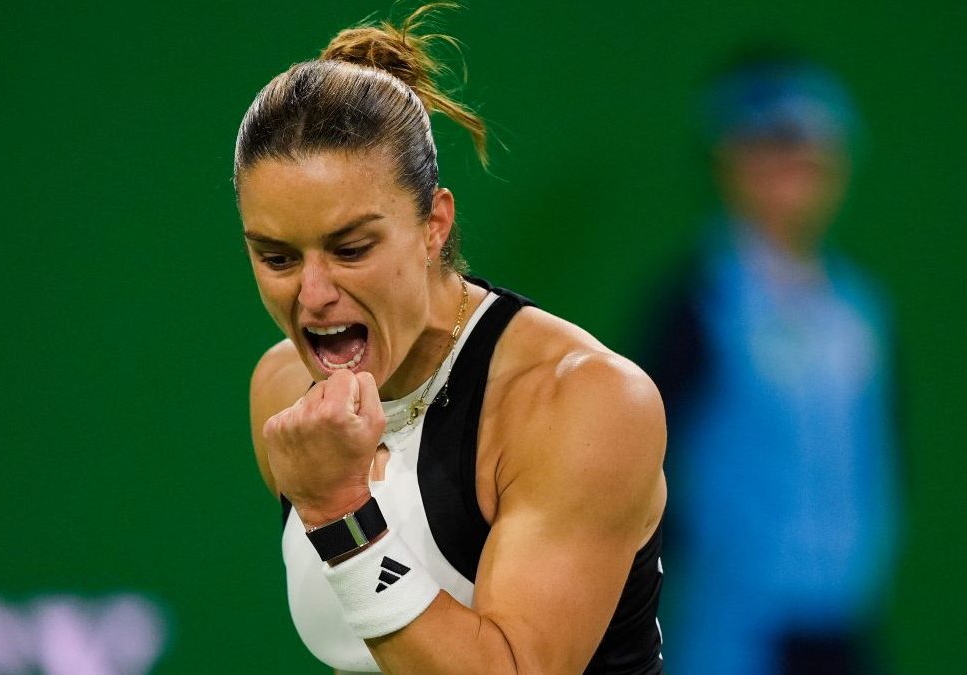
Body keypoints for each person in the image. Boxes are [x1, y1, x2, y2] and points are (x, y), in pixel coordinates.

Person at [235, 6, 667, 674]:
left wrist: (340, 512)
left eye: (350, 248)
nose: (313, 294)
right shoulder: (284, 389)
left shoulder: (584, 399)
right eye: (277, 257)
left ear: (435, 224)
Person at [643, 50, 902, 675]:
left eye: (810, 154)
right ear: (728, 163)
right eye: (769, 152)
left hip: (844, 624)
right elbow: (642, 463)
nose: (792, 171)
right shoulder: (699, 304)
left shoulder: (859, 313)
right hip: (731, 633)